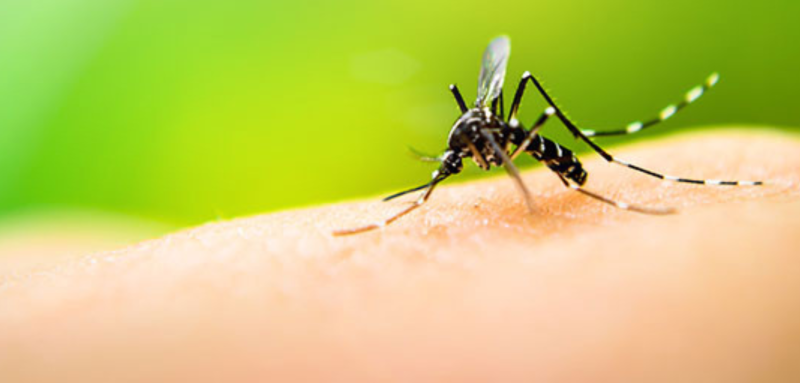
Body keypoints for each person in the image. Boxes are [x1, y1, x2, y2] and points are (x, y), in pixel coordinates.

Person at [0, 129, 797, 382]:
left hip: (568, 159)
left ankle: (621, 178)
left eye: (448, 167)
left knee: (525, 107)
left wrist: (551, 185)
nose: (453, 170)